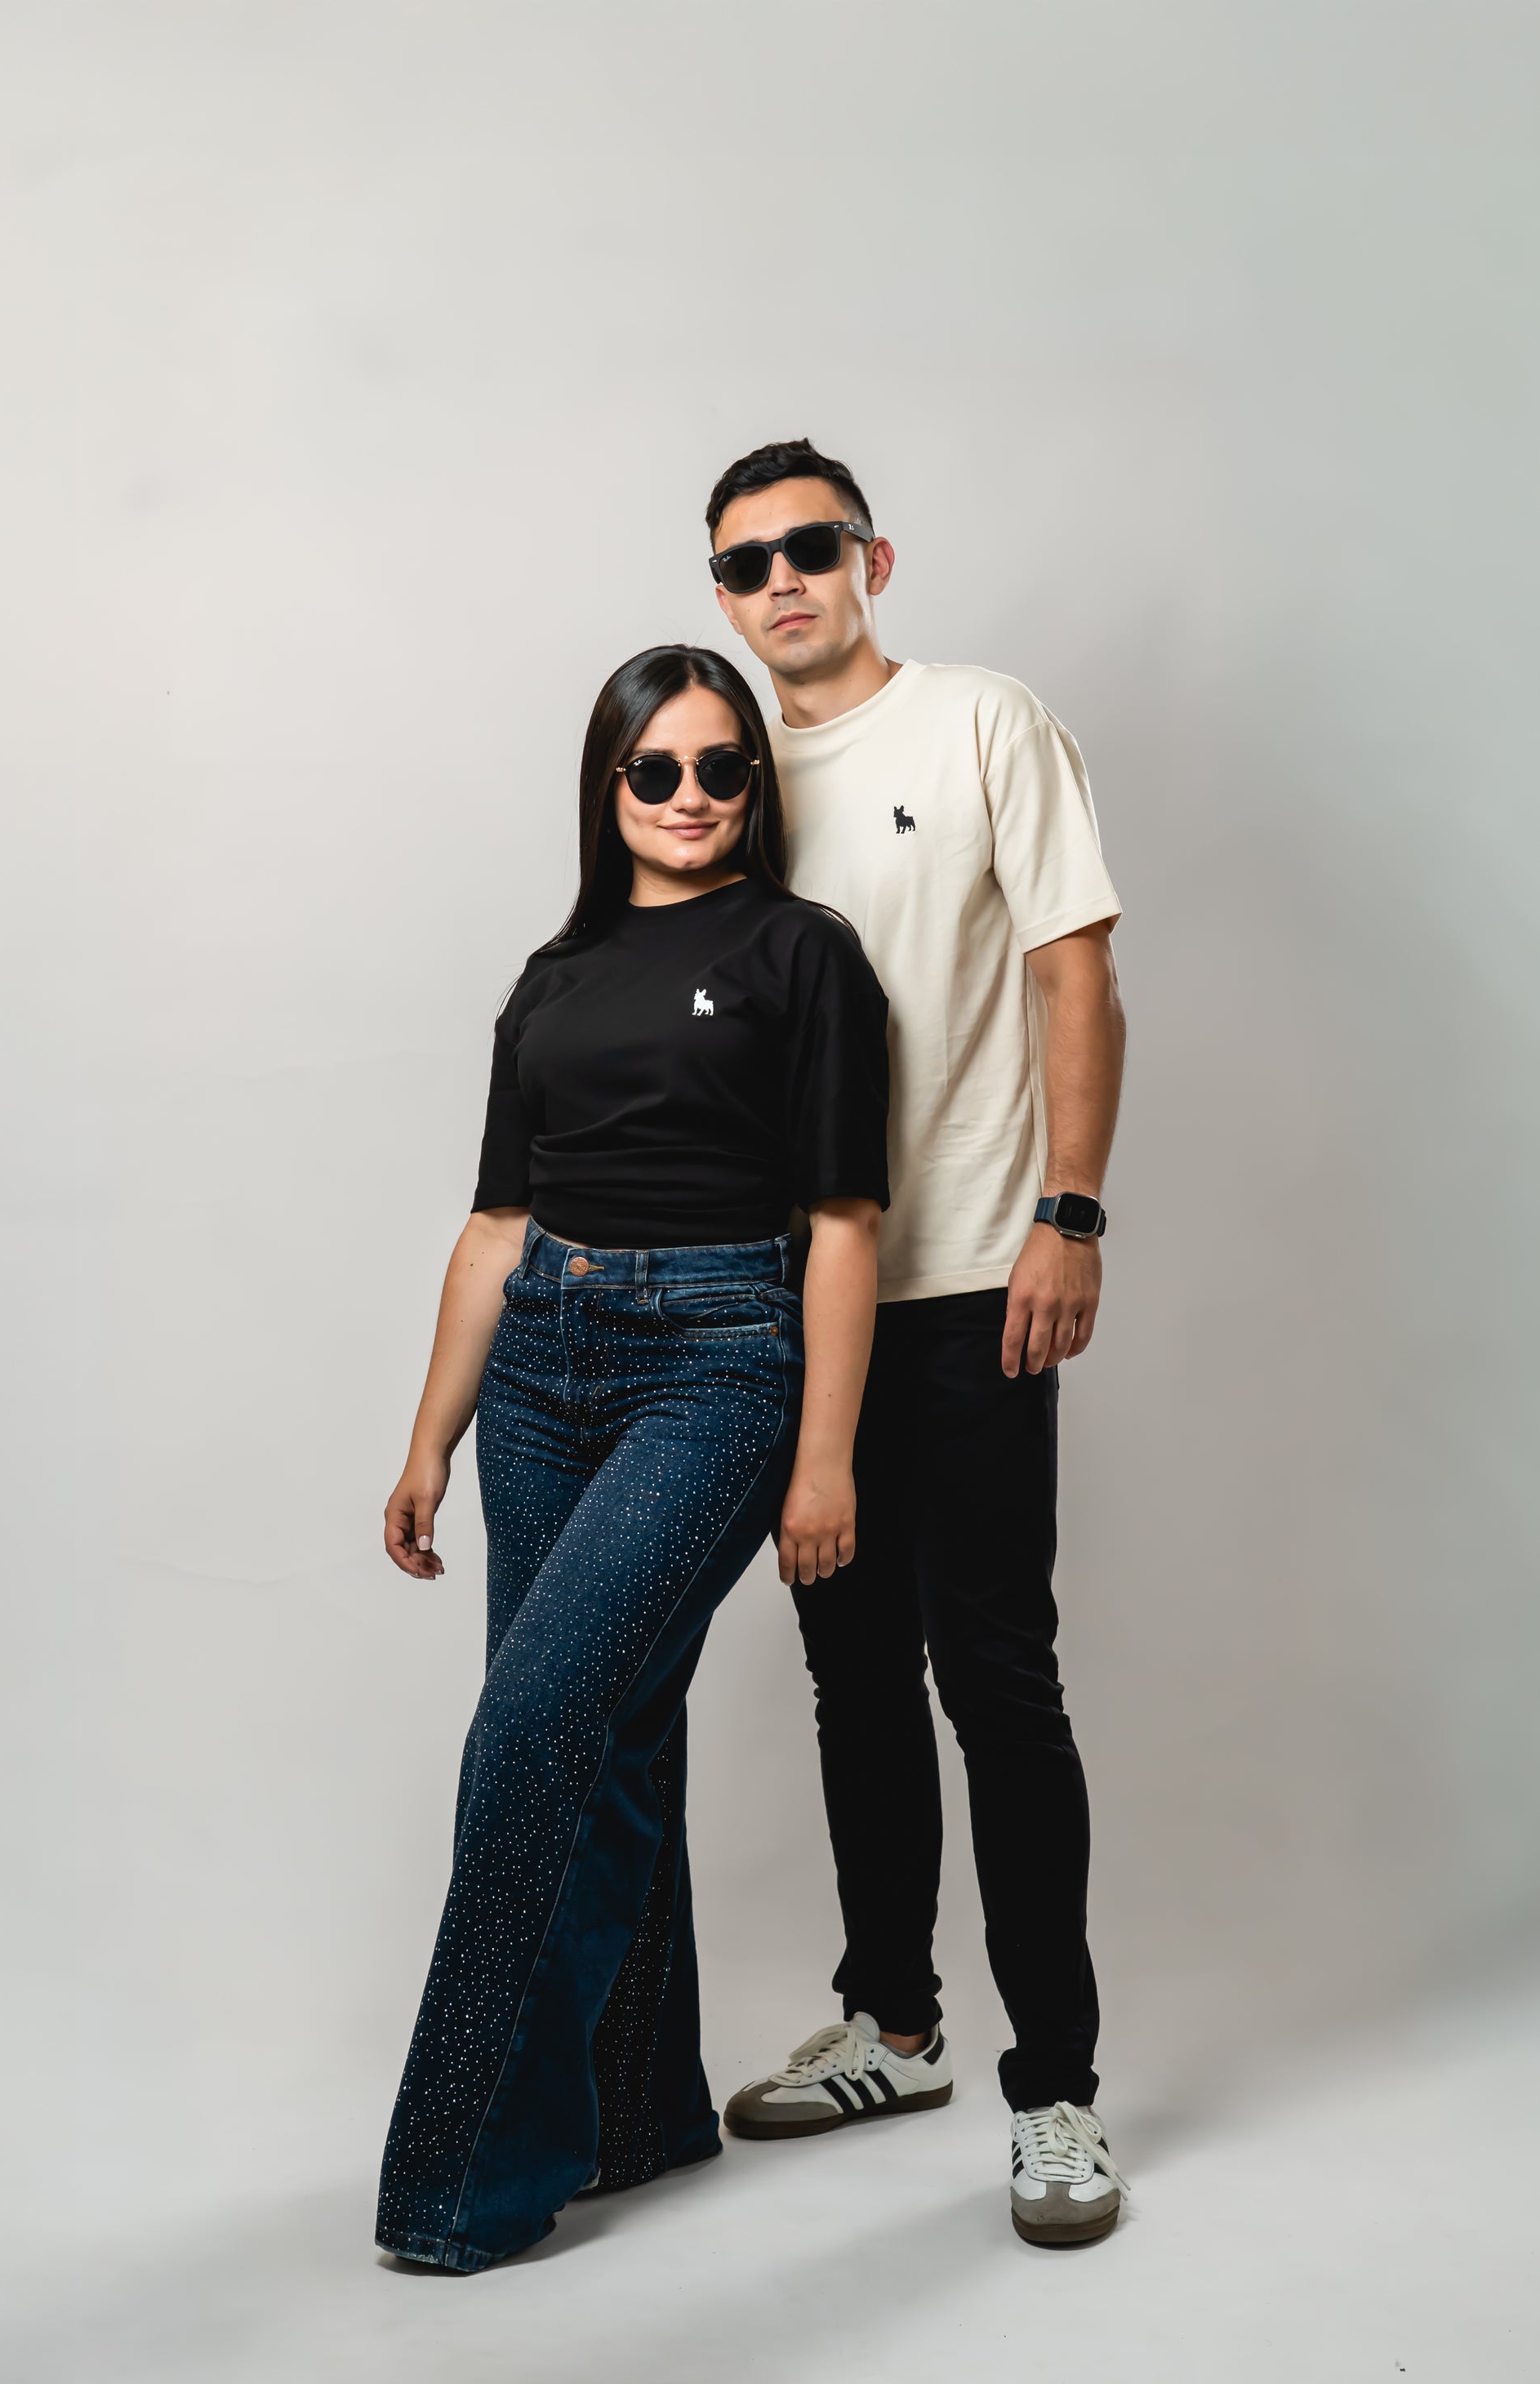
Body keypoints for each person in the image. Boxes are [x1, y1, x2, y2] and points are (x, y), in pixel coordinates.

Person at [373, 644, 890, 2272]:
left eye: (720, 767)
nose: (687, 796)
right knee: (609, 1733)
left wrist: (823, 1457)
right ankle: (636, 2107)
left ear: (755, 784)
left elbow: (842, 1221)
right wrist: (430, 1436)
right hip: (538, 1361)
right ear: (608, 788)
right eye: (653, 770)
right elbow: (494, 1224)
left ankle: (464, 2179)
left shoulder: (802, 953)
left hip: (719, 1359)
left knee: (532, 1731)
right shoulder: (554, 976)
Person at [706, 439, 1130, 2247]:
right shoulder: (722, 771)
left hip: (969, 1274)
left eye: (809, 547)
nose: (780, 582)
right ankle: (895, 2025)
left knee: (997, 1678)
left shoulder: (978, 721)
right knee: (853, 1676)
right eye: (744, 564)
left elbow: (1073, 969)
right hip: (793, 1295)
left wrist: (1069, 1208)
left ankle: (1057, 2094)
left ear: (871, 560)